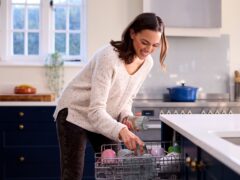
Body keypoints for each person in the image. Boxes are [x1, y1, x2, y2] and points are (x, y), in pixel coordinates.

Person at [53, 12, 168, 179]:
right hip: (75, 113)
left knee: (114, 171)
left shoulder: (147, 63)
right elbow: (95, 110)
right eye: (144, 42)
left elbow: (127, 98)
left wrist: (126, 117)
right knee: (73, 174)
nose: (148, 50)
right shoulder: (110, 57)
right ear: (132, 33)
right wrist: (121, 130)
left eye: (155, 45)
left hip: (103, 117)